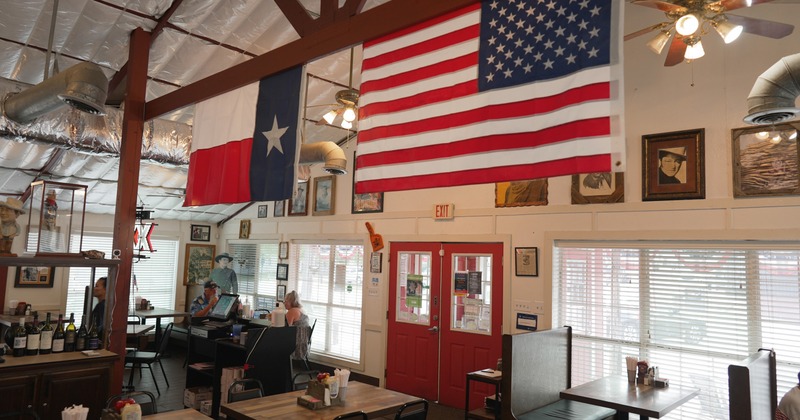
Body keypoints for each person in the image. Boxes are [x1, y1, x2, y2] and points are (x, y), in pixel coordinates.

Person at [284, 290, 310, 361]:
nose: (284, 303)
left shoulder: (291, 311)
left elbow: (287, 330)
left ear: (292, 302)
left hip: (296, 343)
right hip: (304, 342)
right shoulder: (301, 310)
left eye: (286, 301)